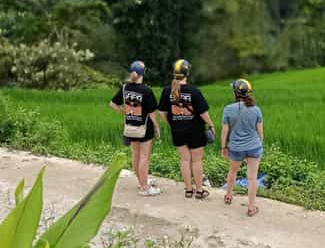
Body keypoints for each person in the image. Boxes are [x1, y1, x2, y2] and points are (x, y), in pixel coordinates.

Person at [158, 59, 215, 199]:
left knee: (184, 160)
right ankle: (200, 191)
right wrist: (211, 125)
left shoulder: (167, 91)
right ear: (187, 73)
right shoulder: (194, 91)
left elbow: (161, 113)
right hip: (195, 131)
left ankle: (188, 190)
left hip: (177, 131)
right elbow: (203, 113)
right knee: (196, 161)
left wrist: (171, 123)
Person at [109, 61, 161, 196]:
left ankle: (141, 182)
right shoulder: (146, 90)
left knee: (135, 156)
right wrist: (156, 126)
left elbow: (112, 104)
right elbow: (151, 113)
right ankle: (145, 188)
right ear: (144, 73)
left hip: (130, 127)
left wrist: (124, 112)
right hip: (144, 128)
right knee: (144, 157)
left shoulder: (125, 87)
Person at [221, 79, 264, 217]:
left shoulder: (228, 109)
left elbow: (224, 132)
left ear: (235, 92)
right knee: (252, 178)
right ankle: (251, 207)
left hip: (236, 148)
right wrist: (257, 143)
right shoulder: (256, 109)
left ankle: (228, 195)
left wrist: (224, 147)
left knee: (232, 172)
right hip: (254, 147)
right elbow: (260, 133)